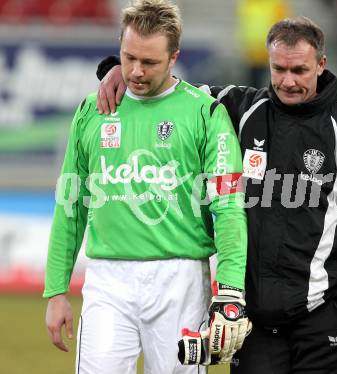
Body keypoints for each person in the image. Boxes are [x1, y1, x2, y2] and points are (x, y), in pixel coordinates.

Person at [96, 16, 337, 374]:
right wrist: (117, 68)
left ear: (321, 64)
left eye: (299, 70)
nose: (288, 81)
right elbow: (176, 92)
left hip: (325, 321)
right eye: (279, 69)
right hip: (253, 326)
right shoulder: (240, 111)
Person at [43, 1, 250, 373]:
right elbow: (71, 205)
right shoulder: (93, 111)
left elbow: (229, 207)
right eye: (128, 57)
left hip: (182, 279)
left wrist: (230, 290)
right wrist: (56, 290)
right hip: (107, 278)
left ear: (174, 57)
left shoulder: (205, 113)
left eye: (150, 62)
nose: (136, 71)